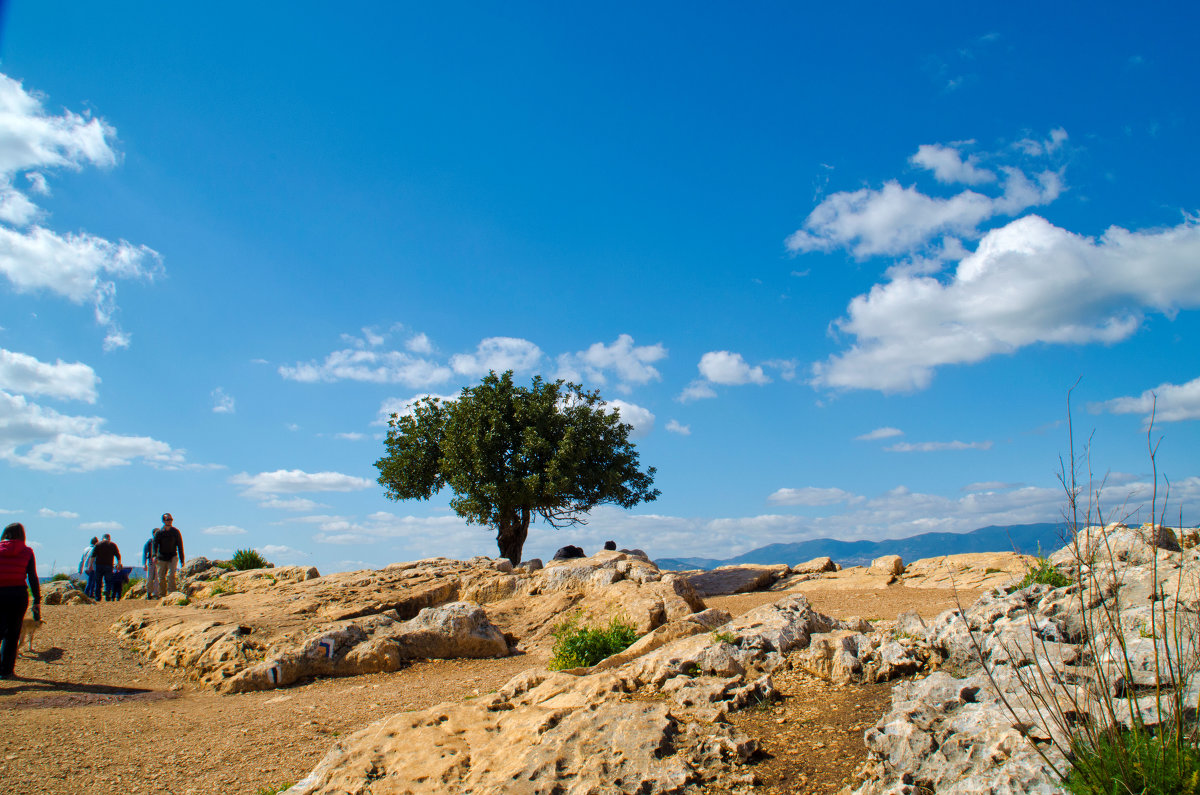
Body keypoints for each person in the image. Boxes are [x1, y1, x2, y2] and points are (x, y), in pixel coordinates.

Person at [0, 522, 41, 679]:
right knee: (12, 633)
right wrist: (37, 599)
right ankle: (6, 671)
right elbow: (32, 576)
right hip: (18, 595)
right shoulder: (27, 551)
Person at [153, 513, 185, 597]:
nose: (170, 521)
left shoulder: (175, 532)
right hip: (161, 557)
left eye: (171, 519)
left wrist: (182, 560)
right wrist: (154, 556)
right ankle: (162, 595)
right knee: (161, 577)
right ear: (163, 521)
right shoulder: (159, 533)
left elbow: (180, 546)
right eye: (168, 520)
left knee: (171, 575)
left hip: (172, 556)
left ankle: (172, 595)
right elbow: (155, 545)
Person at [92, 533, 122, 601]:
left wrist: (90, 565)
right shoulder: (112, 545)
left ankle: (98, 597)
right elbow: (118, 555)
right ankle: (107, 592)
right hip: (109, 565)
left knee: (98, 582)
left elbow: (93, 556)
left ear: (103, 538)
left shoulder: (98, 545)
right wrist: (119, 564)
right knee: (108, 581)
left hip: (99, 565)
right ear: (109, 538)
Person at [142, 528, 160, 599]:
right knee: (149, 578)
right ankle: (149, 592)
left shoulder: (161, 542)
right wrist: (144, 563)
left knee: (157, 579)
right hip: (151, 562)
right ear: (153, 534)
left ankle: (156, 593)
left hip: (159, 562)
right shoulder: (149, 542)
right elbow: (145, 553)